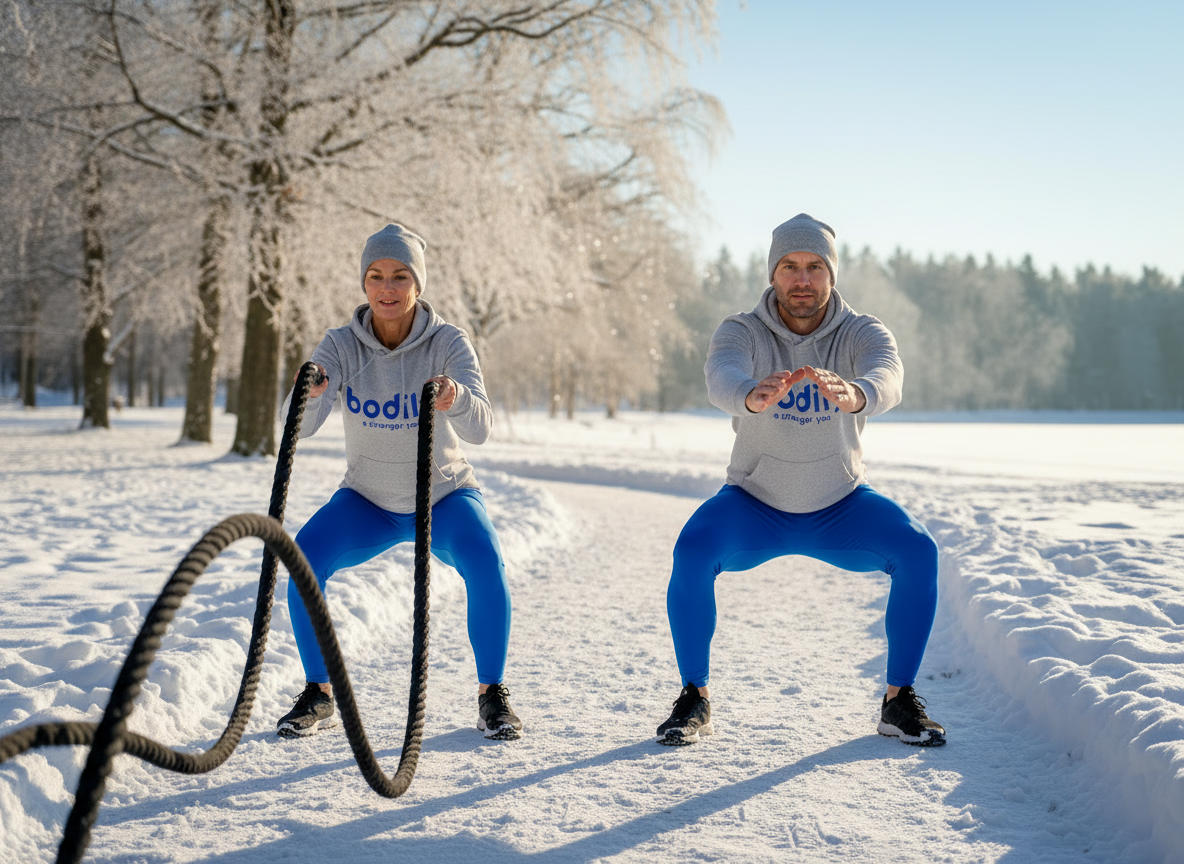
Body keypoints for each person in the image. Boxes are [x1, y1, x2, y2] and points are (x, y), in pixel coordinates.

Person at [655, 213, 944, 747]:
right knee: (693, 548)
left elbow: (889, 373)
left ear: (832, 275)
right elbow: (721, 374)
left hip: (841, 505)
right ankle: (694, 697)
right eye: (790, 266)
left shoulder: (862, 331)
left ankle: (897, 699)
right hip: (754, 503)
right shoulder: (741, 330)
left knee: (918, 551)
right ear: (773, 273)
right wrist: (748, 393)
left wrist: (859, 394)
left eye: (815, 267)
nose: (802, 279)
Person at [275, 223, 523, 741]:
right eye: (376, 276)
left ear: (418, 284)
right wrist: (313, 390)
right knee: (304, 560)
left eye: (399, 276)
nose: (387, 288)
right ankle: (319, 692)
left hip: (444, 495)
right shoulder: (341, 344)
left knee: (485, 560)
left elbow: (481, 427)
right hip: (368, 499)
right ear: (364, 284)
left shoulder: (449, 341)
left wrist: (455, 398)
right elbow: (294, 424)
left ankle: (492, 693)